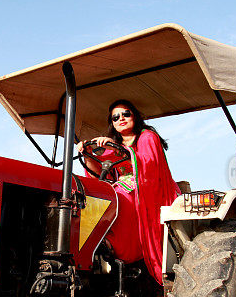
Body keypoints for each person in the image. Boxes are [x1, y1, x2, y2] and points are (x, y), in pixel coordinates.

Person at [76, 100, 180, 285]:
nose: (121, 119)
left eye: (126, 114)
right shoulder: (113, 145)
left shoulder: (147, 137)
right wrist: (87, 152)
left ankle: (111, 245)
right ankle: (93, 245)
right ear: (112, 123)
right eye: (115, 117)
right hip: (121, 187)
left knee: (119, 199)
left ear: (135, 116)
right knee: (93, 196)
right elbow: (97, 173)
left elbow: (149, 166)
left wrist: (117, 149)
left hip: (148, 187)